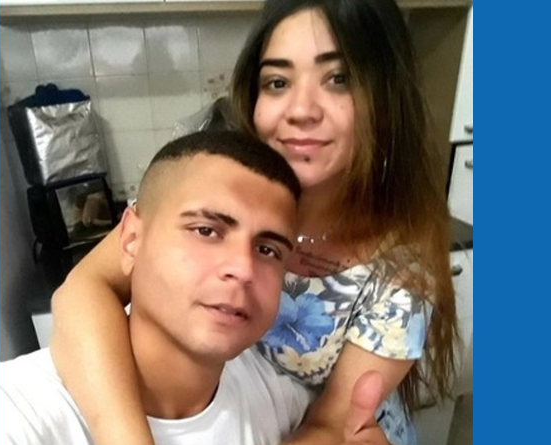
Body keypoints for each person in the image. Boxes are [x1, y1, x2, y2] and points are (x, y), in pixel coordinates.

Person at [50, 1, 459, 444]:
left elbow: (330, 423)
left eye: (338, 79)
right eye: (278, 82)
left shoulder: (402, 262)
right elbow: (85, 287)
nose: (300, 110)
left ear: (386, 98)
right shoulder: (211, 180)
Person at [1, 130, 313, 444]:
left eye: (267, 250)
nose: (243, 269)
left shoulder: (276, 401)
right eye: (206, 231)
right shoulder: (15, 415)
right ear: (131, 240)